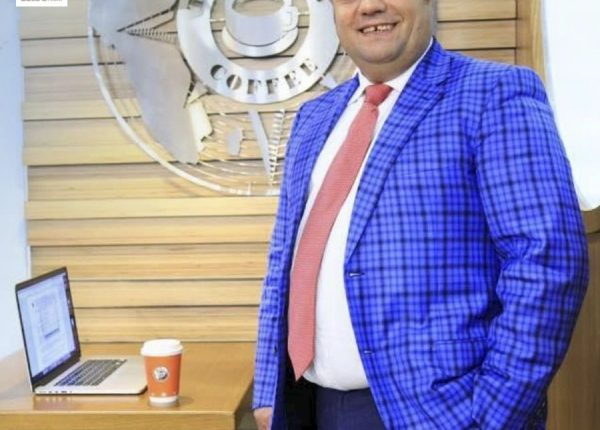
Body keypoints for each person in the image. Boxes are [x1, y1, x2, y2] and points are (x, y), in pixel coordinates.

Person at [253, 0, 589, 428]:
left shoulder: (493, 94)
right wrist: (268, 392)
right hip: (313, 406)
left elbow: (547, 263)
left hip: (443, 415)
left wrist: (492, 417)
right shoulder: (314, 118)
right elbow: (283, 262)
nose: (370, 6)